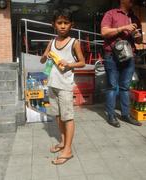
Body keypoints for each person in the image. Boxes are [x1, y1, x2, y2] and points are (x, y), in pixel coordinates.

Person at [40, 9, 85, 165]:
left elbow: (82, 62)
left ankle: (68, 150)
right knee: (58, 115)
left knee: (68, 117)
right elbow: (42, 60)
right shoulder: (51, 42)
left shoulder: (74, 42)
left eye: (66, 23)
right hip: (52, 84)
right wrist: (44, 56)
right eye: (60, 23)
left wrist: (69, 64)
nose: (63, 26)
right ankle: (63, 142)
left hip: (65, 85)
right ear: (54, 25)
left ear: (71, 25)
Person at [101, 0, 142, 128]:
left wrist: (138, 35)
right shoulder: (111, 13)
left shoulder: (135, 18)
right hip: (112, 55)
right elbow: (104, 32)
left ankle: (126, 114)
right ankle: (111, 115)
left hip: (129, 56)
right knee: (112, 86)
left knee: (125, 87)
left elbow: (140, 40)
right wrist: (123, 28)